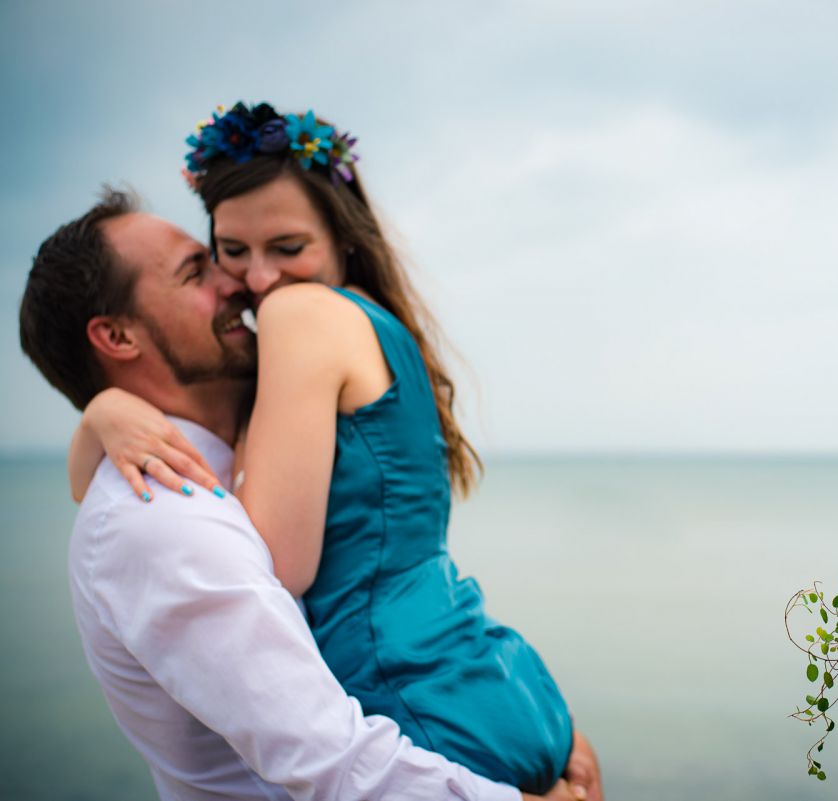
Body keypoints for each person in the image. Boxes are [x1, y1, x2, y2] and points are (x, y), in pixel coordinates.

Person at [66, 102, 592, 797]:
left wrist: (105, 412)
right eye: (232, 251)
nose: (258, 280)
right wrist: (101, 415)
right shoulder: (370, 320)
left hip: (416, 703)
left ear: (342, 238)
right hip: (497, 678)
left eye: (288, 248)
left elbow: (279, 562)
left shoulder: (298, 315)